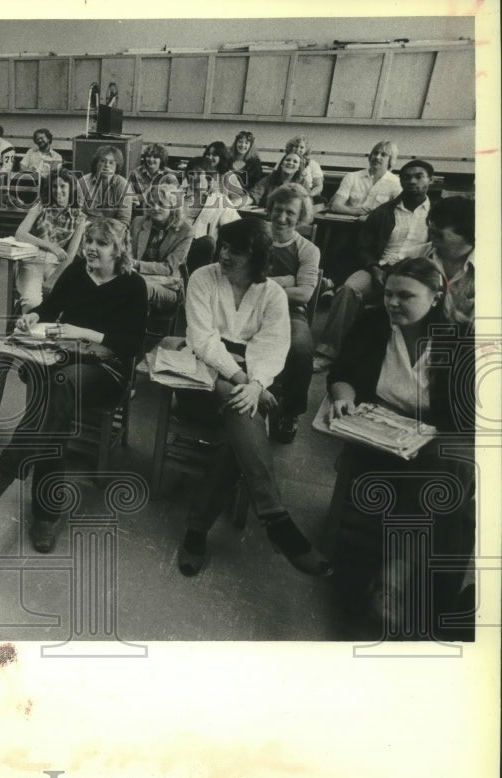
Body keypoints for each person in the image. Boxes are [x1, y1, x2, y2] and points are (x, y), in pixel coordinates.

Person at [0, 217, 148, 552]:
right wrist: (34, 316)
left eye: (101, 243)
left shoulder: (133, 285)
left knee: (57, 389)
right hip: (65, 358)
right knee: (55, 414)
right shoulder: (79, 270)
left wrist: (82, 333)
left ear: (118, 250)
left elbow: (130, 344)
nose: (91, 248)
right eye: (89, 241)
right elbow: (52, 306)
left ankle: (6, 471)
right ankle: (45, 515)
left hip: (108, 369)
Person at [177, 217, 331, 578]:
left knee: (237, 432)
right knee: (245, 413)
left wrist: (257, 384)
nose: (226, 255)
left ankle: (196, 531)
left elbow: (273, 344)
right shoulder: (203, 278)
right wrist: (248, 383)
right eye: (225, 247)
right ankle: (275, 517)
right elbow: (203, 340)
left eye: (239, 251)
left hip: (247, 382)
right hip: (199, 374)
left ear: (258, 256)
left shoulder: (272, 294)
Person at [326, 257, 474, 633]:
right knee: (451, 508)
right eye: (389, 293)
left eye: (405, 295)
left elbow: (468, 419)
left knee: (445, 473)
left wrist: (427, 437)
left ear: (436, 296)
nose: (393, 302)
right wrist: (344, 396)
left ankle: (390, 582)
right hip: (379, 440)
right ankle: (421, 611)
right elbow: (342, 372)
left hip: (433, 442)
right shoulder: (375, 323)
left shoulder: (458, 339)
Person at [313, 159, 434, 371]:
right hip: (381, 269)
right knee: (349, 289)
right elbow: (363, 247)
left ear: (430, 180)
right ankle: (327, 352)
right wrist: (374, 268)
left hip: (416, 274)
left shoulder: (435, 215)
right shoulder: (384, 212)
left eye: (418, 176)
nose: (412, 181)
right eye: (406, 177)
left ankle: (400, 364)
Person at [261, 183, 320, 443]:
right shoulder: (257, 238)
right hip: (248, 307)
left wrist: (264, 284)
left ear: (301, 217)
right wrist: (286, 281)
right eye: (278, 209)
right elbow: (236, 278)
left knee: (300, 349)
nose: (282, 218)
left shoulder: (308, 250)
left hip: (289, 312)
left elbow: (304, 294)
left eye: (290, 213)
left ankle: (290, 412)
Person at [14, 167, 88, 311]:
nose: (58, 191)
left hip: (57, 265)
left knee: (67, 303)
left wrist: (53, 280)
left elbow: (71, 255)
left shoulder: (80, 218)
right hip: (33, 261)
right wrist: (51, 246)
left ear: (71, 188)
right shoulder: (40, 207)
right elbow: (20, 234)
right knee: (32, 303)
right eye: (54, 186)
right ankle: (26, 326)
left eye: (62, 186)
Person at [401, 195, 475, 326]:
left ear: (467, 231)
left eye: (441, 223)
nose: (432, 227)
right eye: (432, 221)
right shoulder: (414, 256)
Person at [129, 179, 193, 321]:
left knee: (139, 287)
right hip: (135, 277)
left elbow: (169, 268)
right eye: (152, 203)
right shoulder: (138, 222)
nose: (155, 208)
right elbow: (127, 253)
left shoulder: (185, 231)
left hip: (168, 286)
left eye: (162, 204)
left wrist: (136, 265)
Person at [183, 156, 241, 271]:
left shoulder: (220, 200)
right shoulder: (177, 195)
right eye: (191, 173)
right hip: (175, 246)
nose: (194, 177)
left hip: (201, 251)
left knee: (207, 242)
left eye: (199, 173)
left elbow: (236, 229)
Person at [328, 140, 402, 216]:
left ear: (390, 160)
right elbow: (335, 206)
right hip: (349, 223)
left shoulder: (396, 183)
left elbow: (398, 212)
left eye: (383, 155)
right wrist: (355, 212)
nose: (377, 157)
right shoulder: (352, 177)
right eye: (375, 153)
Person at [78, 145, 132, 226]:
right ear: (96, 163)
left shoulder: (123, 185)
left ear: (116, 167)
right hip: (86, 228)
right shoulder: (83, 182)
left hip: (112, 231)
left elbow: (124, 221)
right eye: (103, 161)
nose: (107, 165)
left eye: (111, 163)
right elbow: (78, 212)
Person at [128, 142, 177, 212]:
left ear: (161, 159)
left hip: (161, 211)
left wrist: (140, 197)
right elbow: (129, 197)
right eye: (148, 156)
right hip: (139, 211)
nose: (151, 159)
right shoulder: (135, 173)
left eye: (155, 157)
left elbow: (171, 199)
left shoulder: (170, 175)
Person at [285, 135, 324, 201]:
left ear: (306, 150)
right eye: (296, 146)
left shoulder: (313, 164)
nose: (298, 149)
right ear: (291, 148)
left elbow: (318, 186)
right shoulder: (284, 161)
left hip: (307, 195)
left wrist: (308, 195)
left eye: (301, 147)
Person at [228, 130, 264, 196]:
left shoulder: (255, 163)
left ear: (250, 146)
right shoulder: (228, 159)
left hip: (245, 196)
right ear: (236, 143)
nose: (242, 145)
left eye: (246, 143)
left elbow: (257, 184)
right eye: (240, 142)